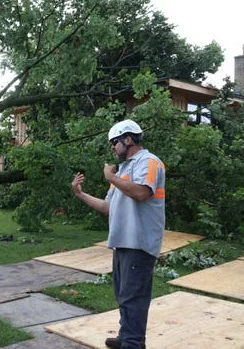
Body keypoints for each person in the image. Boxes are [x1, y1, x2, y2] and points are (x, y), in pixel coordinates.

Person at [71, 119, 165, 349]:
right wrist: (79, 194)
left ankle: (133, 343)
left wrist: (111, 177)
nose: (112, 147)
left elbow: (142, 193)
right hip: (123, 241)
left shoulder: (149, 162)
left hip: (140, 242)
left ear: (129, 139)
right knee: (124, 295)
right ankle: (126, 337)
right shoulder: (123, 170)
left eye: (115, 142)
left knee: (134, 298)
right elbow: (108, 207)